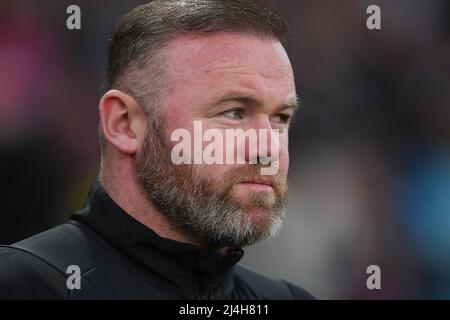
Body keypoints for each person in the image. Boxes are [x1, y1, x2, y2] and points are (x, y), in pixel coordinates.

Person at [0, 0, 314, 299]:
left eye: (280, 118)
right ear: (124, 124)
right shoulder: (23, 286)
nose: (268, 150)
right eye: (234, 112)